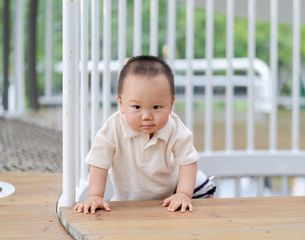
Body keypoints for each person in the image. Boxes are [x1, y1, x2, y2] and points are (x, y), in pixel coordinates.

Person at [74, 55, 209, 215]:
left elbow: (188, 161)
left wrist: (183, 194)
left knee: (201, 182)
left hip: (168, 197)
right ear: (121, 104)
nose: (147, 116)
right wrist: (95, 195)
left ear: (171, 104)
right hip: (127, 201)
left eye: (157, 107)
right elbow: (99, 162)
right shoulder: (113, 127)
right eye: (137, 106)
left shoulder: (174, 127)